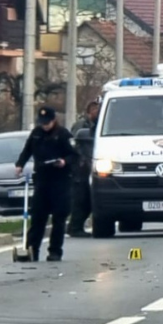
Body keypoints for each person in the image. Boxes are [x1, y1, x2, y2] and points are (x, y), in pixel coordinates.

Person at [14, 106, 78, 261]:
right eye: (42, 122)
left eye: (47, 122)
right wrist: (20, 164)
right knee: (38, 217)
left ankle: (55, 251)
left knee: (58, 218)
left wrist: (64, 161)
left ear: (53, 120)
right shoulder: (36, 134)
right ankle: (31, 250)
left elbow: (75, 155)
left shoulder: (63, 134)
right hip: (42, 179)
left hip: (60, 181)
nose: (45, 125)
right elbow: (27, 150)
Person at [68, 99, 100, 237]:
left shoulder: (99, 124)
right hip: (80, 168)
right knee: (81, 199)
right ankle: (75, 228)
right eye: (94, 110)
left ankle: (77, 226)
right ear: (88, 112)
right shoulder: (81, 126)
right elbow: (75, 144)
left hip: (92, 165)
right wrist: (80, 160)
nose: (97, 112)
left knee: (89, 199)